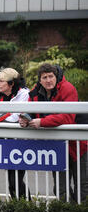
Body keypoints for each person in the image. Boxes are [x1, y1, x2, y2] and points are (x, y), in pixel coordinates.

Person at [19, 63, 88, 203]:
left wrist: (42, 122)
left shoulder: (68, 89)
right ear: (40, 80)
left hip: (79, 144)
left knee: (83, 185)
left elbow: (67, 117)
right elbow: (29, 109)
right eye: (44, 77)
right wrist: (25, 118)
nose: (48, 80)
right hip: (56, 145)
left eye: (51, 76)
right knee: (61, 187)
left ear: (56, 77)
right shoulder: (35, 91)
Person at [0, 68, 30, 199]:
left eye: (1, 81)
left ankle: (27, 211)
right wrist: (9, 112)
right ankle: (23, 211)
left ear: (11, 83)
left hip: (20, 143)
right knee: (12, 182)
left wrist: (3, 114)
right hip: (4, 142)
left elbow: (17, 118)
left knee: (15, 181)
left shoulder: (25, 94)